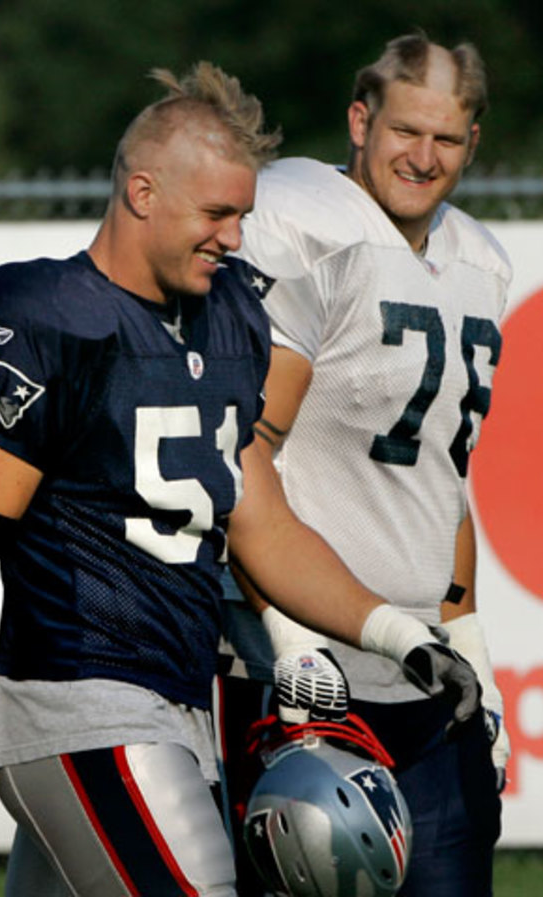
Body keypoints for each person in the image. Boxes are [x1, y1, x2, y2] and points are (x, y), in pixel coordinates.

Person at [0, 62, 479, 897]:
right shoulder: (40, 314)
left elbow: (266, 529)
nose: (233, 238)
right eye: (216, 214)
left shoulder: (232, 318)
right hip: (76, 699)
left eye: (244, 216)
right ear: (142, 192)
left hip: (177, 708)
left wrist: (398, 635)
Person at [218, 33, 511, 897]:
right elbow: (244, 455)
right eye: (404, 130)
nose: (423, 157)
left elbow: (444, 479)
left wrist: (469, 641)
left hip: (425, 672)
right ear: (360, 119)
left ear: (473, 144)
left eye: (447, 138)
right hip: (299, 669)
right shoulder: (306, 223)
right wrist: (290, 633)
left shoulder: (479, 262)